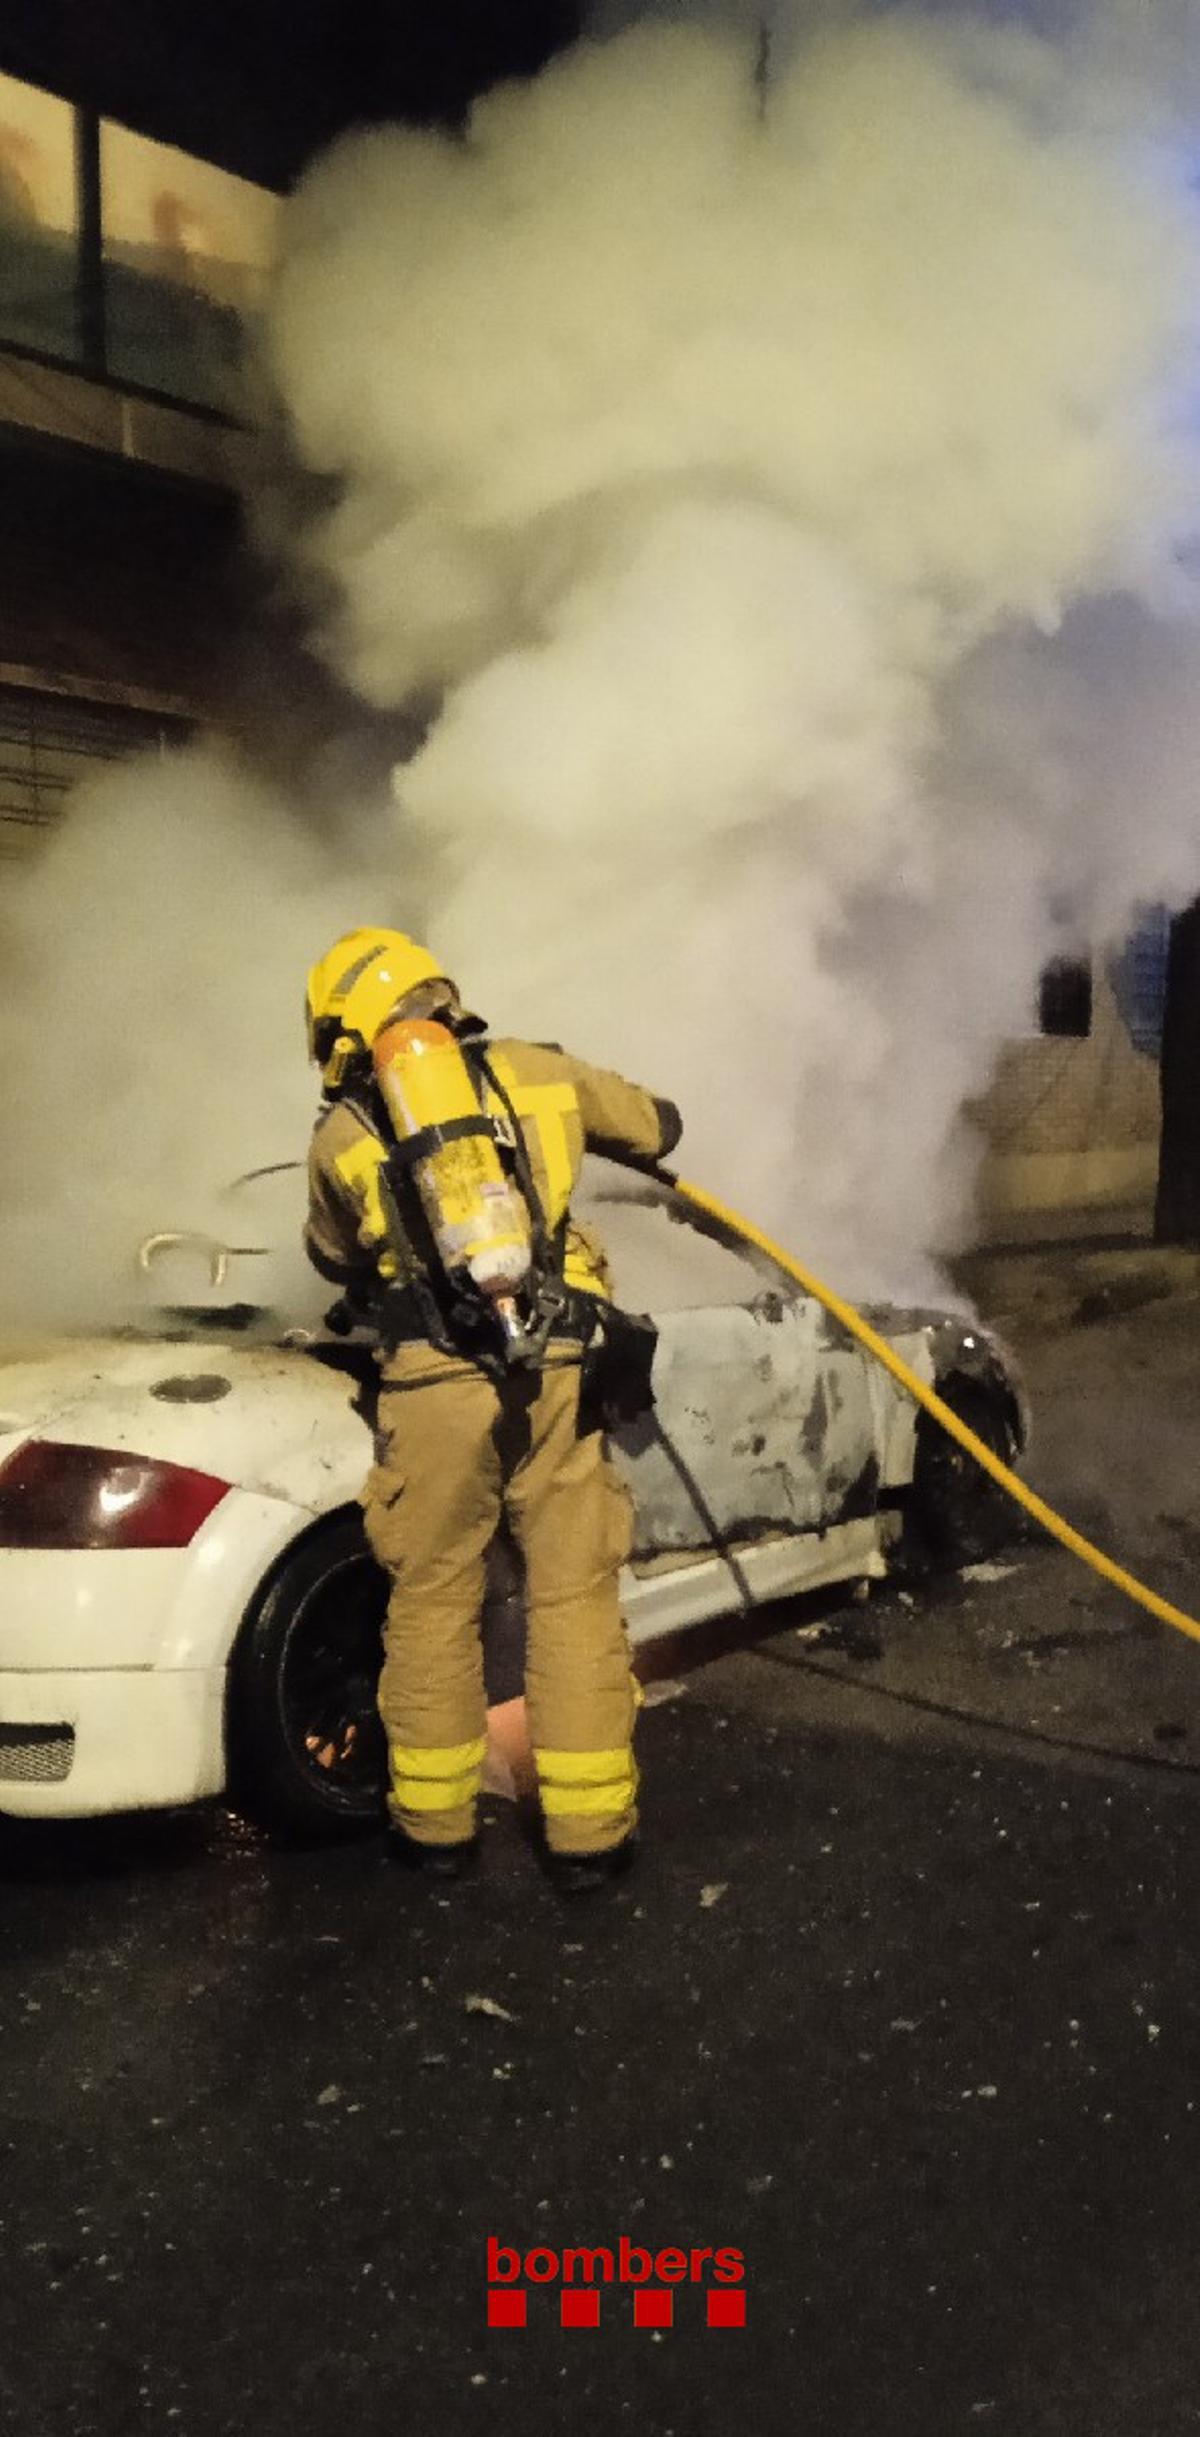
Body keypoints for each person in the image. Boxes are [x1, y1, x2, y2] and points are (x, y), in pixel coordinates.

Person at [302, 926, 682, 1892]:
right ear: (439, 995)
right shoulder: (535, 1071)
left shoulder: (342, 1133)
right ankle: (592, 1834)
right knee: (571, 1593)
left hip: (434, 1382)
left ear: (347, 1031)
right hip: (552, 1367)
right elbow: (655, 1124)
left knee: (431, 1600)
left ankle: (433, 1831)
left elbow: (332, 1258)